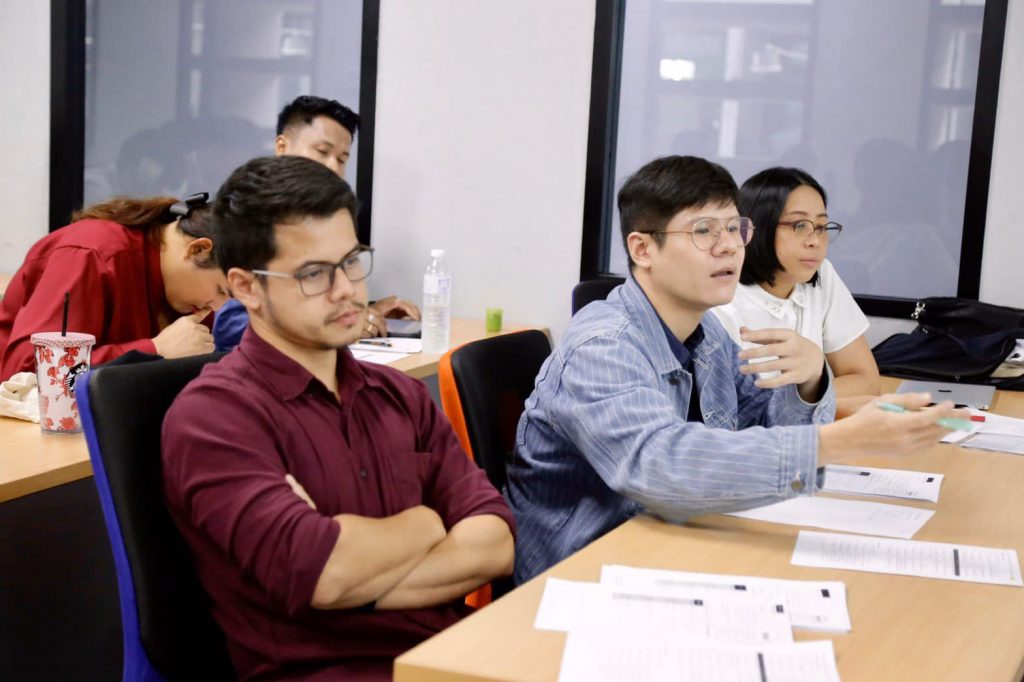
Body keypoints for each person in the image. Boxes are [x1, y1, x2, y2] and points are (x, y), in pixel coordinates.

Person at [505, 155, 961, 585]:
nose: (729, 247)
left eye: (734, 228)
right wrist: (843, 440)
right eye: (703, 231)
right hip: (582, 570)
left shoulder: (706, 332)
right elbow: (661, 466)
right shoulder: (603, 346)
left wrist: (810, 381)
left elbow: (763, 416)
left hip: (671, 541)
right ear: (643, 248)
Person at [162, 156, 515, 681]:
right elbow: (324, 574)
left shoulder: (399, 395)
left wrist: (356, 581)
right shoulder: (213, 417)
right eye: (313, 274)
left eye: (351, 261)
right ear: (246, 287)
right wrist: (428, 522)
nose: (347, 288)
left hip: (447, 659)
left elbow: (496, 543)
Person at [213, 95, 418, 350]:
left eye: (342, 159)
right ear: (282, 146)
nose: (333, 167)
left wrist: (365, 310)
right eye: (322, 151)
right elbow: (229, 320)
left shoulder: (336, 217)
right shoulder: (249, 211)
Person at [710, 167, 880, 417]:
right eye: (799, 225)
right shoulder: (720, 298)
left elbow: (866, 381)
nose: (814, 240)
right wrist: (814, 397)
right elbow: (731, 415)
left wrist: (809, 395)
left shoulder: (821, 274)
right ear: (756, 227)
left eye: (821, 226)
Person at [0, 193, 227, 379]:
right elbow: (27, 372)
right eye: (220, 289)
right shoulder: (90, 253)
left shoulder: (192, 296)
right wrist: (153, 350)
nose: (218, 306)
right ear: (197, 249)